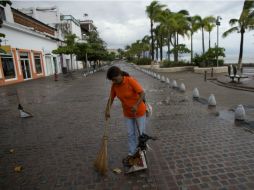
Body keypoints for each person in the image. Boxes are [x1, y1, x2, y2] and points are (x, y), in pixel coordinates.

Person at [105, 66, 146, 161]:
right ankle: (132, 152)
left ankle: (141, 152)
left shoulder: (130, 81)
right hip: (127, 113)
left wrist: (136, 105)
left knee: (140, 134)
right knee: (130, 134)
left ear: (119, 75)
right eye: (112, 80)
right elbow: (111, 98)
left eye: (115, 79)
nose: (114, 82)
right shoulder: (114, 85)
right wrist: (107, 110)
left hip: (139, 111)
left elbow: (142, 93)